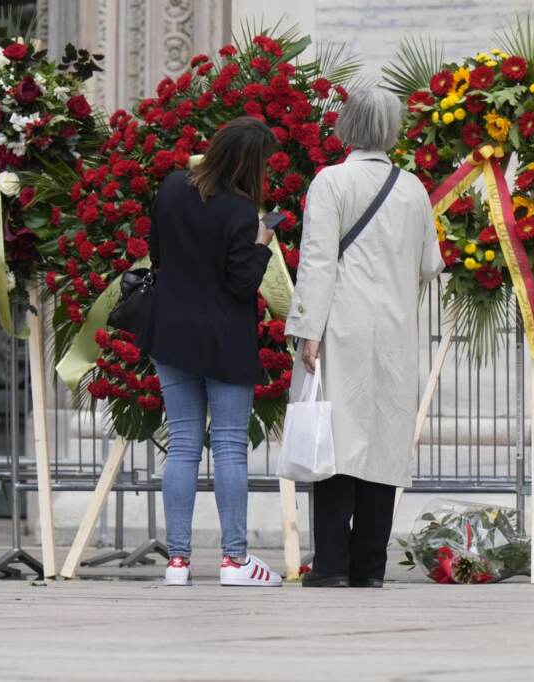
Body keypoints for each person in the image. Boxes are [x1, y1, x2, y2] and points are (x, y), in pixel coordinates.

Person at [286, 88, 445, 588]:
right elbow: (430, 264)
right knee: (384, 440)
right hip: (395, 328)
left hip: (341, 324)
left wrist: (307, 329)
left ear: (347, 126)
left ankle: (331, 565)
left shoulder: (331, 182)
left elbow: (317, 260)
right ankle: (370, 566)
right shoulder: (413, 188)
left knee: (335, 439)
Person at [140, 117, 282, 587]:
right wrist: (263, 241)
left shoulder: (173, 186)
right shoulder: (242, 213)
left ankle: (177, 561)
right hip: (223, 336)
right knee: (227, 448)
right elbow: (242, 283)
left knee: (181, 444)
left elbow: (156, 254)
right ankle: (234, 559)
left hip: (171, 330)